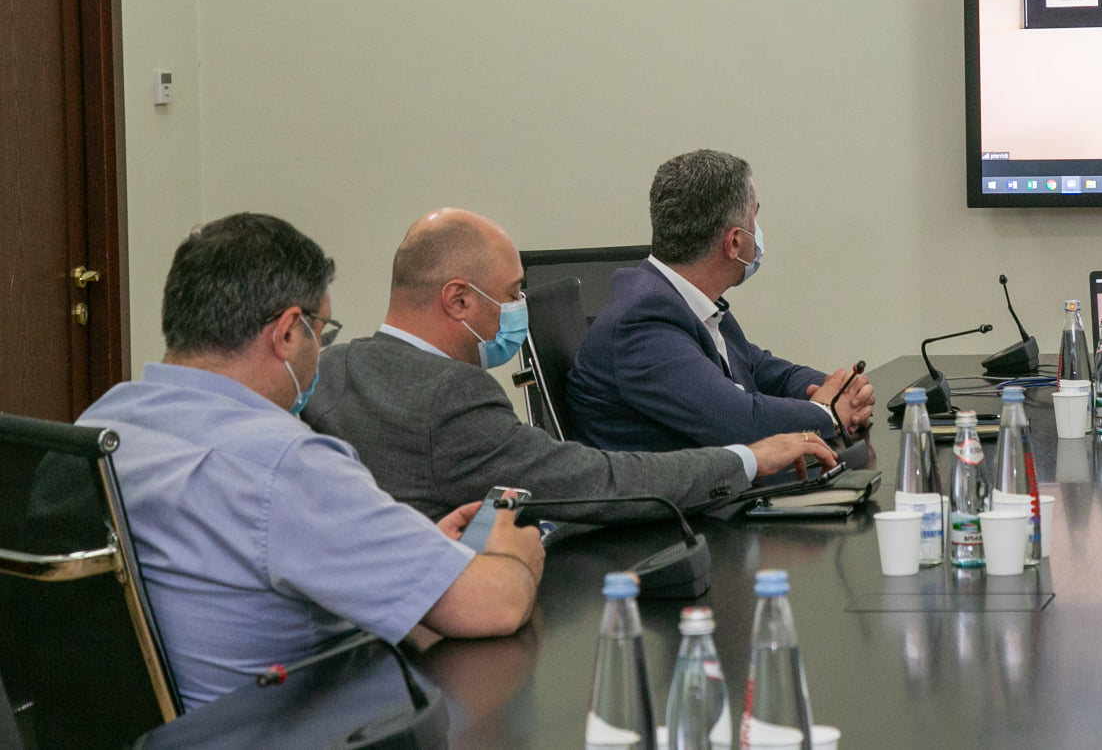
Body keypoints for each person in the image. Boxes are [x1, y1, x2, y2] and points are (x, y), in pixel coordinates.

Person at [76, 213, 545, 708]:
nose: (321, 349)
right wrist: (511, 555)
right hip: (280, 727)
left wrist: (416, 550)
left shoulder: (99, 425)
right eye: (321, 331)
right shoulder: (286, 465)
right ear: (286, 333)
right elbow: (496, 605)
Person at [302, 209, 838, 523]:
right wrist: (747, 458)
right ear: (458, 300)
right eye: (513, 293)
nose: (521, 308)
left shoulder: (329, 370)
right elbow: (599, 482)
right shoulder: (453, 396)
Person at [568, 150, 876, 452]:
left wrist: (843, 394)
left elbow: (765, 372)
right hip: (681, 488)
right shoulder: (643, 322)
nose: (758, 232)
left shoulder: (690, 302)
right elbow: (740, 423)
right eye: (754, 218)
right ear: (734, 242)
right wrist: (828, 414)